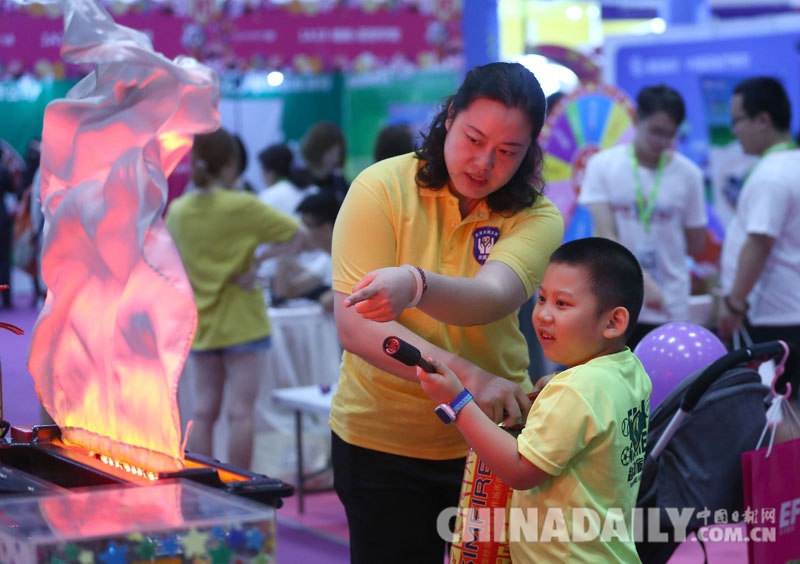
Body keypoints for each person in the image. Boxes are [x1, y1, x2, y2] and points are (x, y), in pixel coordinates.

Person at [329, 61, 565, 564]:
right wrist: (470, 382)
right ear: (450, 115)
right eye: (474, 139)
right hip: (382, 441)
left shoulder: (536, 216)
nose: (483, 163)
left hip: (492, 446)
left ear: (530, 152)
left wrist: (414, 284)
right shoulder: (381, 188)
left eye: (507, 152)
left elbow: (491, 298)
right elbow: (355, 326)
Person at [418, 236, 651, 562]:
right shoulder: (628, 368)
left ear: (613, 322)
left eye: (562, 304)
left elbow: (519, 471)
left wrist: (458, 402)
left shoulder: (575, 389)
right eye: (541, 298)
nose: (543, 314)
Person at [165, 127, 318, 469]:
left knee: (203, 413)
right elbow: (303, 236)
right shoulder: (243, 206)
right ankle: (241, 489)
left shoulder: (178, 211)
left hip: (200, 322)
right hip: (245, 324)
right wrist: (257, 263)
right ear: (232, 163)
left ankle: (203, 483)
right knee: (240, 413)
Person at [579, 84, 707, 349]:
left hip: (671, 304)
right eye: (656, 132)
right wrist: (643, 283)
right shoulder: (602, 166)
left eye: (669, 135)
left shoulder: (689, 175)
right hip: (616, 301)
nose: (661, 142)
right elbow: (606, 236)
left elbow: (696, 244)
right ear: (637, 120)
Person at [717, 76, 800, 401]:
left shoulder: (773, 175)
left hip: (773, 316)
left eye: (737, 120)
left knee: (779, 414)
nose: (734, 130)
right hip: (786, 311)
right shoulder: (791, 164)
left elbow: (760, 242)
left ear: (763, 120)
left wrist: (735, 302)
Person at [271, 191, 340, 311]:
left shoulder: (353, 254)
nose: (301, 232)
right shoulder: (326, 259)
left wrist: (327, 298)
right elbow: (285, 293)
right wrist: (283, 256)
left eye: (307, 226)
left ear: (326, 229)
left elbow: (328, 301)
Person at [298, 121, 349, 203]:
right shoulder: (298, 182)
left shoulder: (340, 183)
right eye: (330, 153)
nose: (335, 159)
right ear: (316, 150)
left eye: (338, 153)